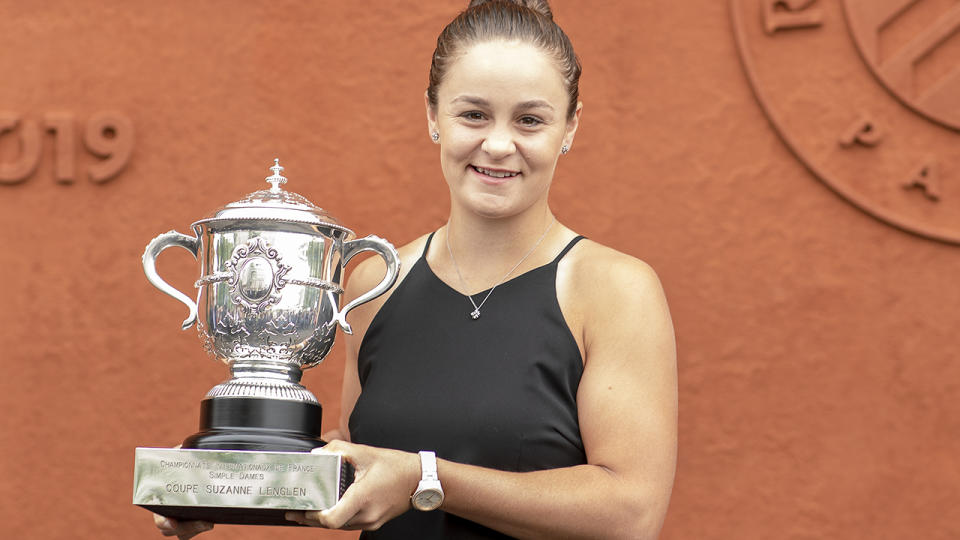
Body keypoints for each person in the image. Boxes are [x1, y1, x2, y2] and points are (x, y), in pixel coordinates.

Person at [156, 0, 676, 538]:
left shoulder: (614, 290)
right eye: (473, 114)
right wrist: (228, 479)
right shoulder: (377, 285)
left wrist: (427, 479)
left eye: (530, 120)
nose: (498, 144)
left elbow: (630, 513)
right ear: (432, 116)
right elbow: (364, 468)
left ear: (569, 126)